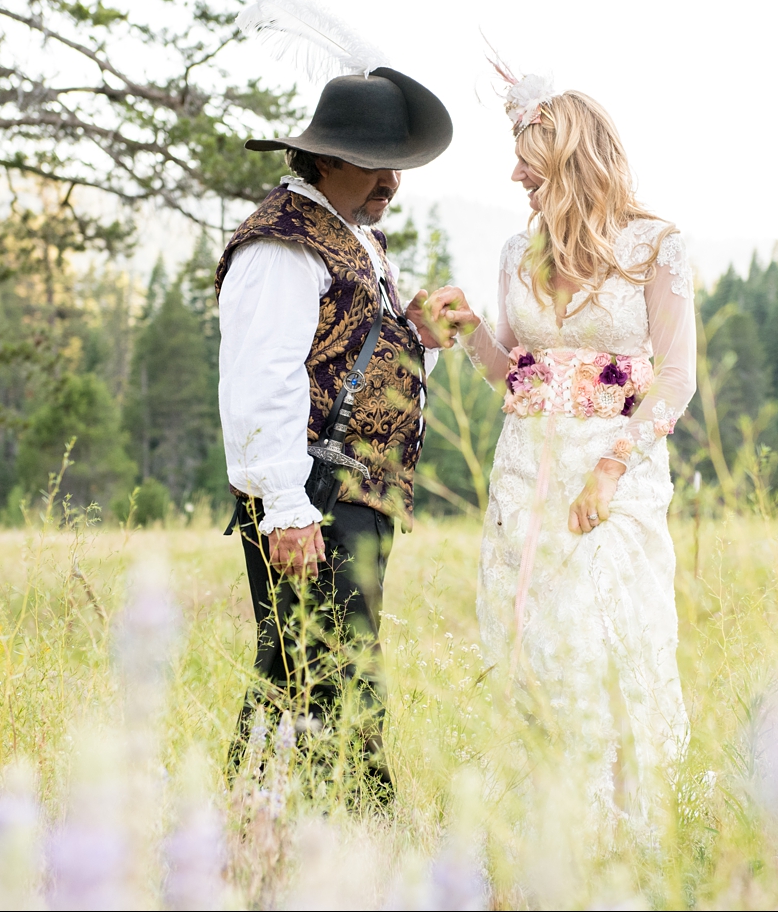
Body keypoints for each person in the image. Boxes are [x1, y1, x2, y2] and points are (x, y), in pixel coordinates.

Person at [432, 74, 694, 830]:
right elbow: (509, 374)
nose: (514, 174)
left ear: (569, 157)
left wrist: (613, 464)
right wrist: (464, 327)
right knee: (537, 647)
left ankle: (622, 833)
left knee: (609, 644)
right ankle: (548, 829)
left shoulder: (655, 247)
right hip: (526, 477)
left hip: (616, 477)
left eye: (528, 158)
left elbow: (676, 378)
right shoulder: (519, 250)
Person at [215, 48, 462, 808]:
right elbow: (262, 379)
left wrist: (416, 333)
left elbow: (348, 357)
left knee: (309, 669)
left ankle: (268, 830)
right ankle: (340, 834)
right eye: (373, 165)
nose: (390, 183)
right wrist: (286, 508)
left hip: (345, 497)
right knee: (331, 672)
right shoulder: (281, 242)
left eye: (396, 167)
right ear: (324, 160)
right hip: (311, 496)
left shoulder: (349, 233)